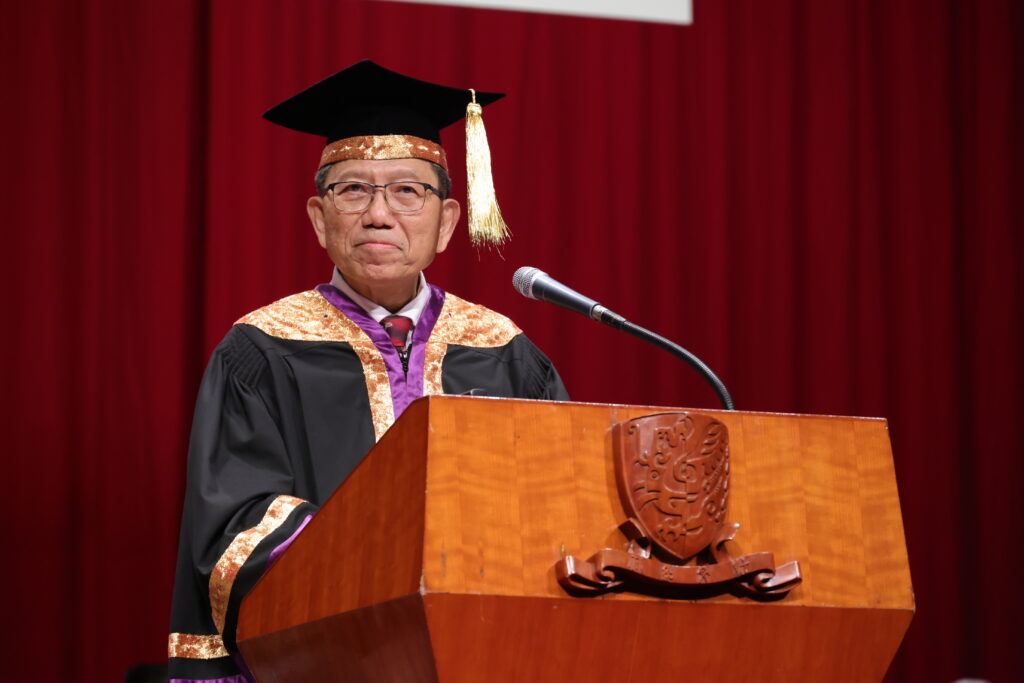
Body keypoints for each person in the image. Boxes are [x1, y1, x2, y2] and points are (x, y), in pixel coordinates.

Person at [167, 60, 568, 682]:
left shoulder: (505, 352)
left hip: (482, 655)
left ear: (449, 223)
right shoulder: (262, 349)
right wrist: (376, 563)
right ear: (319, 219)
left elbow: (555, 512)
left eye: (408, 191)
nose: (379, 214)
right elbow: (233, 523)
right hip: (321, 656)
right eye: (353, 190)